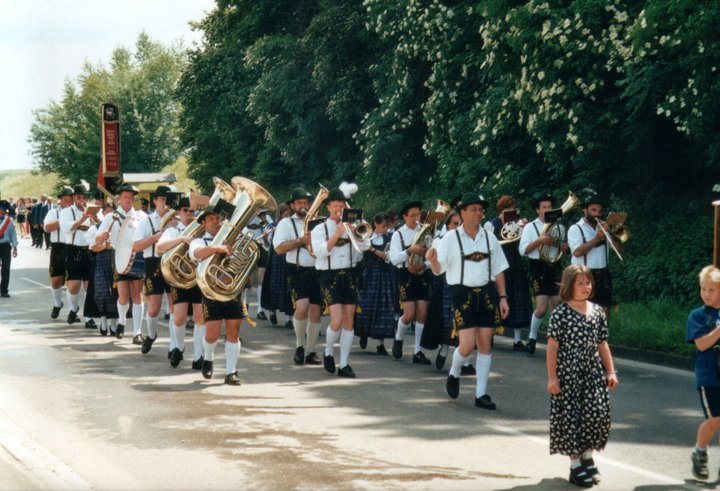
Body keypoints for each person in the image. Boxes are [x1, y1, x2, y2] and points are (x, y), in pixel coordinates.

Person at [427, 192, 510, 410]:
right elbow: (438, 271)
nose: (478, 213)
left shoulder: (490, 238)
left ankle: (481, 394)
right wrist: (434, 261)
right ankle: (454, 372)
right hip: (461, 293)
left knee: (485, 343)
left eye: (481, 209)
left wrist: (503, 298)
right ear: (462, 213)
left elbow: (499, 271)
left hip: (486, 293)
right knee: (467, 345)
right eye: (473, 209)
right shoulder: (449, 239)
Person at [546, 264, 618, 488]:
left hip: (592, 373)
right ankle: (575, 466)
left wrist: (611, 370)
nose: (586, 287)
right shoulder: (561, 313)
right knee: (571, 418)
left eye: (588, 282)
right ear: (569, 286)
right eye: (580, 283)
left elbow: (602, 343)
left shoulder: (596, 311)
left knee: (596, 413)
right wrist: (552, 377)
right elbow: (552, 348)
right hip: (568, 374)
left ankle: (587, 455)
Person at [311, 186, 370, 378]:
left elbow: (365, 247)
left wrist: (356, 234)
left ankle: (344, 363)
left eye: (342, 206)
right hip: (329, 275)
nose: (339, 209)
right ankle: (328, 351)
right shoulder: (319, 228)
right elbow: (320, 253)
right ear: (328, 207)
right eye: (335, 205)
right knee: (336, 320)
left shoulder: (353, 225)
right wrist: (337, 234)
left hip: (350, 275)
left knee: (349, 320)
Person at [189, 205, 244, 385]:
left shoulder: (232, 240)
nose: (215, 221)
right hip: (211, 293)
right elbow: (197, 254)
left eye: (217, 218)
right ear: (203, 223)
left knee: (233, 333)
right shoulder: (198, 241)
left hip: (231, 291)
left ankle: (231, 372)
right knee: (212, 334)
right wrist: (217, 248)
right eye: (211, 219)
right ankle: (209, 357)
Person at [273, 188, 324, 366]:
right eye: (300, 203)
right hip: (296, 268)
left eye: (305, 202)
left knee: (316, 310)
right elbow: (278, 248)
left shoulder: (317, 222)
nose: (304, 206)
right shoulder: (286, 223)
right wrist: (300, 241)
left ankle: (311, 350)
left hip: (317, 269)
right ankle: (299, 346)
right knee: (302, 307)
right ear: (293, 205)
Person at [157, 197, 205, 369]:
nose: (189, 214)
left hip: (198, 279)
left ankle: (199, 355)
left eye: (192, 211)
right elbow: (160, 247)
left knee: (200, 318)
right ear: (178, 213)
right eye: (185, 210)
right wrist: (182, 239)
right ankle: (179, 347)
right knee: (178, 318)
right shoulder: (173, 231)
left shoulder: (202, 231)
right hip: (179, 279)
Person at [95, 183, 145, 341]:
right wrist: (102, 236)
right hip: (118, 256)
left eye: (131, 197)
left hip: (137, 256)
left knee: (138, 294)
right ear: (119, 199)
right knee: (123, 295)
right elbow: (97, 238)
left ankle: (137, 332)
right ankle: (122, 322)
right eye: (125, 196)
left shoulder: (141, 216)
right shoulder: (111, 216)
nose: (128, 199)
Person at [518, 193, 566, 354]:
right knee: (541, 307)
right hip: (538, 266)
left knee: (557, 305)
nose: (547, 209)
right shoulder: (531, 227)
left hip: (554, 266)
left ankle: (555, 340)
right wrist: (539, 241)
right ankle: (532, 338)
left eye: (549, 207)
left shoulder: (559, 226)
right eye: (544, 207)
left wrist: (564, 248)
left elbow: (561, 249)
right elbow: (523, 250)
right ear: (538, 210)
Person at [486, 195, 533, 352]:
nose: (511, 211)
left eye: (513, 208)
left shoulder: (519, 223)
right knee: (495, 298)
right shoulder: (491, 224)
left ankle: (517, 340)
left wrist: (525, 228)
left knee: (517, 297)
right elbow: (488, 244)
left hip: (515, 262)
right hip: (498, 264)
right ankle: (490, 335)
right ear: (501, 210)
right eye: (508, 209)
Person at [388, 201, 433, 365]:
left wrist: (424, 264)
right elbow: (393, 259)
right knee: (409, 315)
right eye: (413, 215)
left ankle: (418, 351)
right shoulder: (397, 235)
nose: (416, 218)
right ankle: (398, 337)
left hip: (422, 273)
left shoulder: (427, 233)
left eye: (418, 215)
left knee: (422, 313)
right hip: (405, 274)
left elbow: (434, 256)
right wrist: (409, 251)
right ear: (405, 217)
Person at [687, 265, 720, 481]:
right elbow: (701, 345)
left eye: (712, 290)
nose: (706, 294)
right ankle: (699, 451)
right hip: (709, 376)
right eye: (703, 289)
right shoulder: (697, 316)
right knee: (715, 419)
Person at [133, 185, 175, 355]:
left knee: (175, 305)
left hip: (172, 263)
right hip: (153, 262)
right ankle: (151, 335)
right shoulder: (147, 220)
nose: (165, 204)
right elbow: (136, 246)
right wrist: (155, 238)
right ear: (156, 201)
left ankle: (175, 345)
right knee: (154, 307)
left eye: (168, 200)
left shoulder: (176, 219)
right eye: (163, 199)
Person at [567, 193, 620, 322]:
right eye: (593, 210)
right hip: (583, 275)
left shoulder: (603, 227)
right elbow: (577, 252)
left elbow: (618, 250)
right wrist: (597, 238)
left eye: (600, 211)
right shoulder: (575, 229)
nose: (597, 214)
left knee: (604, 311)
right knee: (584, 312)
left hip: (603, 274)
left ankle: (601, 340)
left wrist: (613, 233)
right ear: (585, 210)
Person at [421, 211, 461, 369]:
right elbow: (433, 264)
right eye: (454, 224)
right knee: (447, 320)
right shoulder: (441, 240)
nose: (457, 227)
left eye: (460, 224)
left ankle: (462, 362)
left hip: (464, 283)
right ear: (448, 225)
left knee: (463, 321)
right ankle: (444, 351)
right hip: (446, 282)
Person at [355, 212, 396, 355]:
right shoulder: (367, 237)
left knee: (383, 307)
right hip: (369, 275)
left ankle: (380, 343)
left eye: (386, 226)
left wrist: (385, 255)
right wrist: (375, 251)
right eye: (383, 226)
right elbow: (360, 252)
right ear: (376, 224)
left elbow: (390, 257)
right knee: (366, 305)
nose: (385, 229)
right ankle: (364, 333)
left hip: (383, 275)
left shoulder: (389, 239)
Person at [59, 184, 98, 327]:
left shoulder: (93, 210)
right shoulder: (67, 212)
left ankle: (88, 317)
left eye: (84, 197)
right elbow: (66, 229)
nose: (82, 200)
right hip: (73, 249)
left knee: (89, 286)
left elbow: (101, 228)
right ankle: (73, 309)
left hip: (89, 250)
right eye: (79, 197)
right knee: (74, 285)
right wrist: (82, 219)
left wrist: (96, 219)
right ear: (74, 198)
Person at [89, 201, 119, 336]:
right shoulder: (97, 228)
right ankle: (103, 320)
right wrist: (104, 246)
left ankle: (113, 324)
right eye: (106, 213)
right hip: (102, 262)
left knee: (115, 293)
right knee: (101, 293)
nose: (109, 216)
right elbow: (92, 247)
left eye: (111, 213)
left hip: (116, 262)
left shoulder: (120, 228)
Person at [43, 186, 73, 319]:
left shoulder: (75, 213)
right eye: (65, 200)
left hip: (72, 247)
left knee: (73, 280)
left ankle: (73, 309)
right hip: (58, 247)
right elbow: (47, 227)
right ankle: (57, 303)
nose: (68, 204)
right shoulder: (54, 212)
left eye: (70, 201)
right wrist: (63, 220)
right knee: (56, 279)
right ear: (60, 200)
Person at [260, 203, 292, 327]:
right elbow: (268, 247)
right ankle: (272, 312)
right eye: (285, 215)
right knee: (274, 287)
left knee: (288, 289)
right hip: (276, 260)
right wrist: (266, 237)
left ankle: (289, 318)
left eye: (289, 215)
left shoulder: (291, 225)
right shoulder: (272, 226)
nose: (287, 217)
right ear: (280, 215)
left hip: (288, 259)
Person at [0, 200, 18, 297]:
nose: (1, 211)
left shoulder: (9, 222)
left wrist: (15, 247)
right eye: (0, 209)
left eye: (3, 210)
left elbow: (13, 235)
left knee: (6, 269)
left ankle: (4, 290)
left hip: (6, 247)